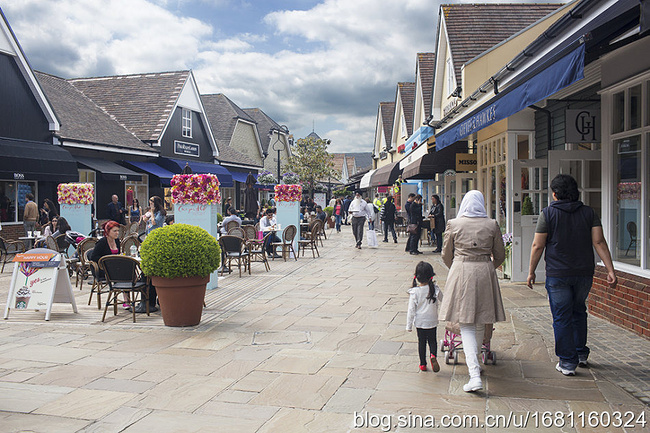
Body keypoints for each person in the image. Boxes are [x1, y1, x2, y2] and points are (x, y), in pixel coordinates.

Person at [527, 174, 617, 376]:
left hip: (558, 274)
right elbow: (599, 242)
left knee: (561, 316)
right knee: (578, 310)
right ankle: (580, 353)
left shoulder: (548, 214)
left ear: (555, 194)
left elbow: (538, 245)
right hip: (584, 272)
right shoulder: (588, 213)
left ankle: (568, 362)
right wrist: (610, 269)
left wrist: (531, 271)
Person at [439, 190, 506, 392]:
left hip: (461, 270)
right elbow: (500, 255)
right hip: (485, 270)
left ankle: (474, 374)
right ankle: (474, 364)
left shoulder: (454, 223)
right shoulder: (492, 224)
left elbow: (445, 254)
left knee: (466, 323)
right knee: (481, 319)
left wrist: (458, 266)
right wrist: (486, 267)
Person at [406, 261, 443, 372]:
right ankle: (433, 355)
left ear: (416, 277)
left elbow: (411, 310)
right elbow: (444, 300)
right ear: (431, 275)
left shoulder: (415, 292)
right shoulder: (435, 289)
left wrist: (409, 326)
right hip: (432, 320)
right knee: (432, 341)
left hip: (420, 322)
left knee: (421, 342)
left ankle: (422, 364)